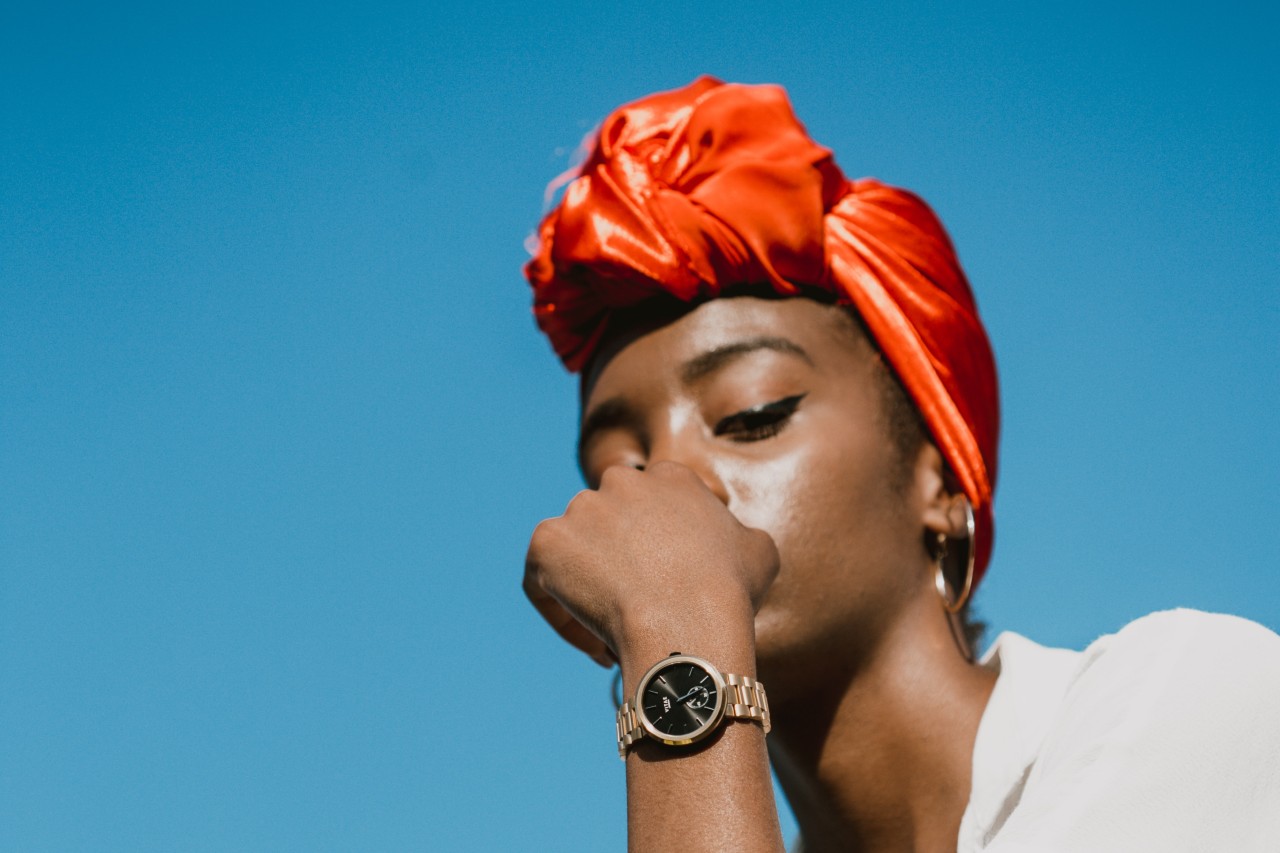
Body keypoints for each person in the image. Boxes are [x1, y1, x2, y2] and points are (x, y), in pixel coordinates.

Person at [520, 77, 1280, 852]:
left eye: (753, 417)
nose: (670, 487)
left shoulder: (1192, 700)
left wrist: (684, 641)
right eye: (617, 469)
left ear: (944, 479)